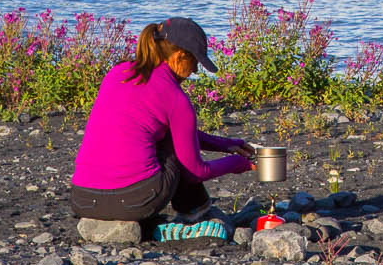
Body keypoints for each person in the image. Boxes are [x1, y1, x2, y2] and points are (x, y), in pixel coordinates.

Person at [71, 16, 257, 239]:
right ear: (179, 56)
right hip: (133, 202)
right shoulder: (176, 99)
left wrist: (228, 145)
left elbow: (154, 129)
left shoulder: (117, 73)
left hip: (82, 198)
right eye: (195, 61)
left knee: (158, 136)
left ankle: (171, 220)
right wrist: (239, 164)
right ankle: (194, 214)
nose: (196, 70)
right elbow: (195, 171)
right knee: (173, 146)